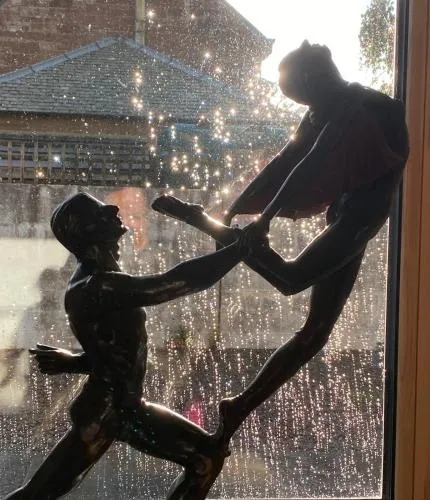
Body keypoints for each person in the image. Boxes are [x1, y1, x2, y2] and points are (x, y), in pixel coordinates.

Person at [150, 40, 409, 445]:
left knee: (314, 330)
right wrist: (238, 210)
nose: (306, 108)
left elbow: (312, 161)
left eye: (302, 97)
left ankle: (238, 406)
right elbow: (286, 161)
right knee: (293, 283)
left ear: (314, 79)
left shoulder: (358, 104)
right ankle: (203, 221)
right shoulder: (327, 108)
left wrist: (263, 218)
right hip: (352, 218)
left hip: (358, 218)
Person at [5, 191, 248, 500]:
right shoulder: (99, 283)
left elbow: (112, 351)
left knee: (206, 458)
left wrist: (75, 361)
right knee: (34, 496)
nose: (112, 208)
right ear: (88, 230)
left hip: (125, 408)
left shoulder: (99, 280)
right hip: (105, 412)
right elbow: (176, 282)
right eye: (100, 211)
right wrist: (239, 250)